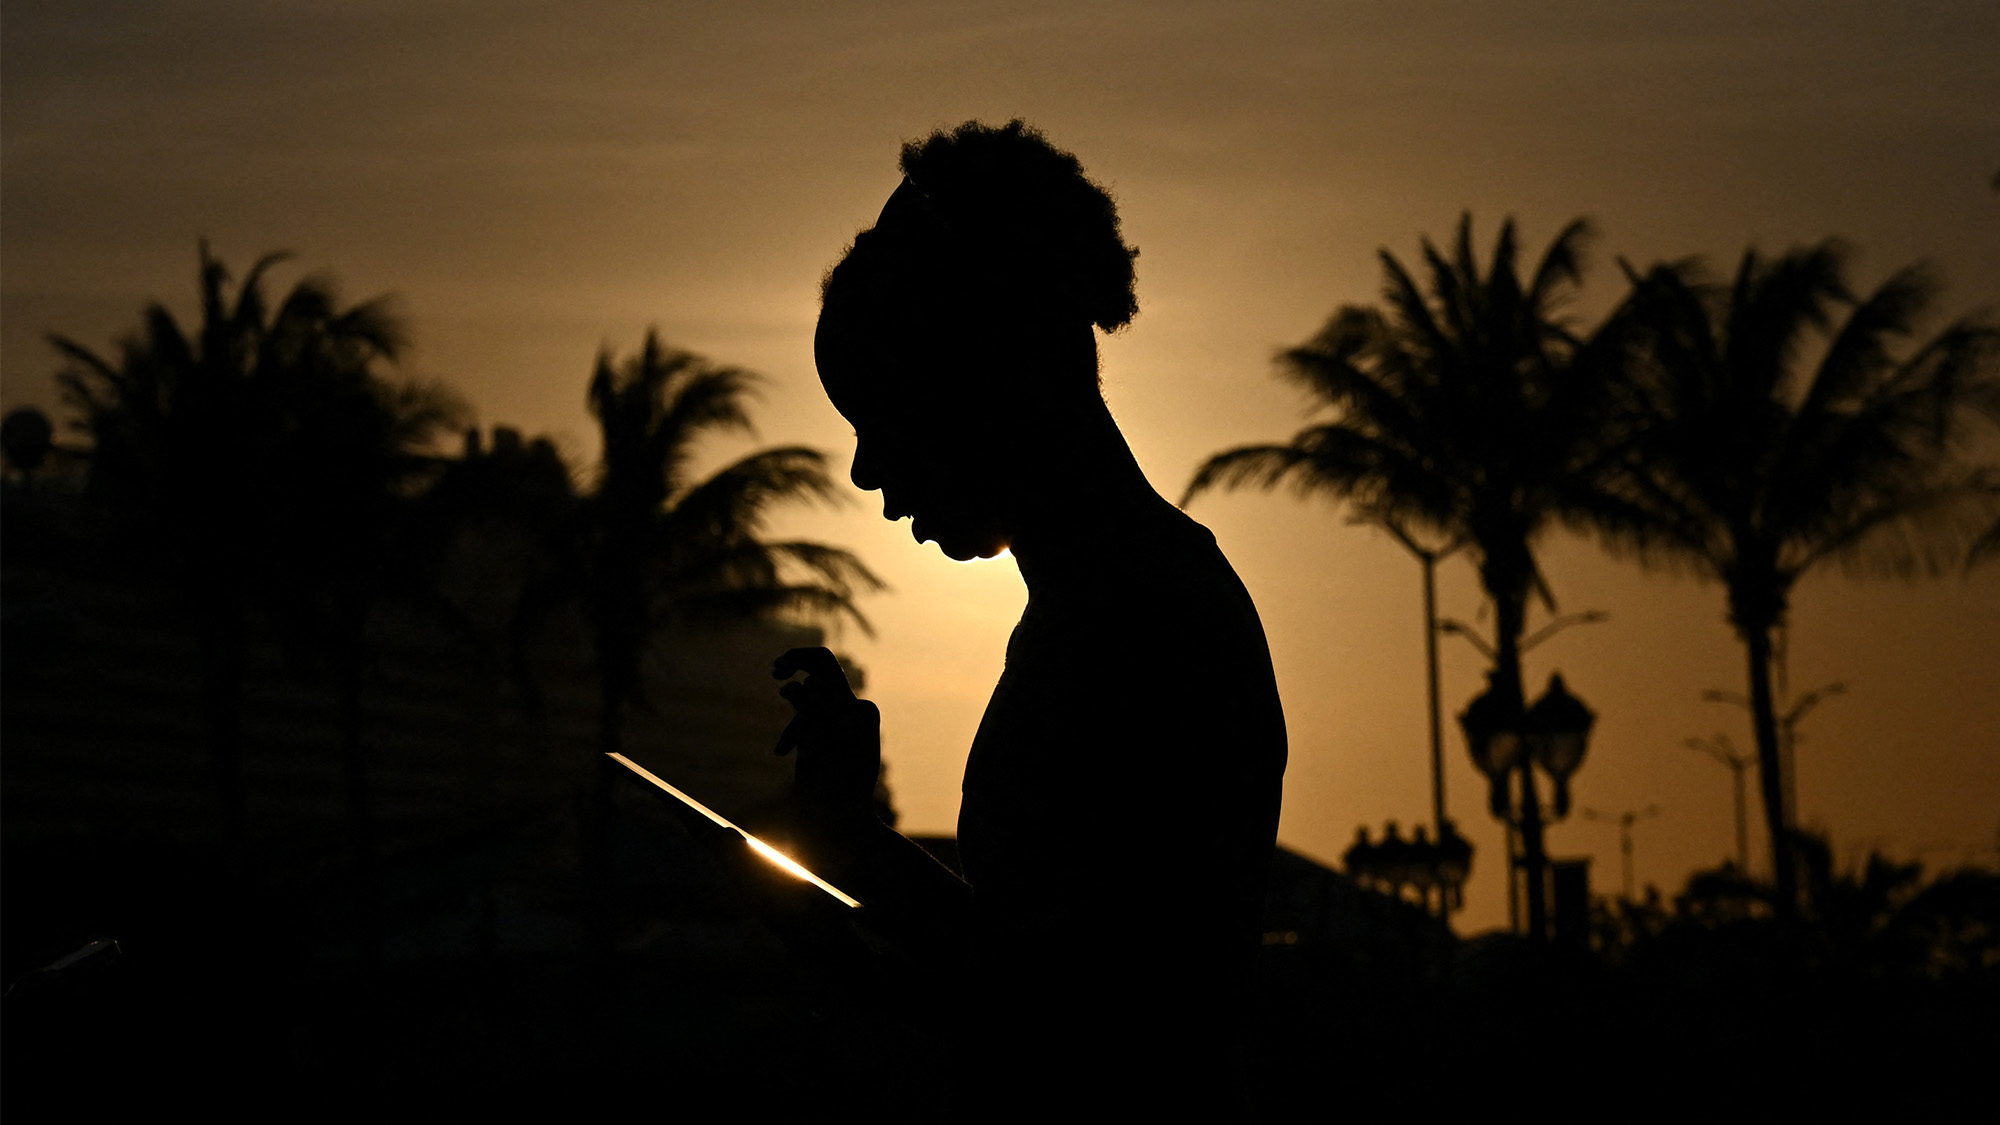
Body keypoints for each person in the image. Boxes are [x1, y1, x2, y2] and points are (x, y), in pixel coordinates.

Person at [776, 120, 1287, 1120]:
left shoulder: (1138, 628)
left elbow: (1084, 1021)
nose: (866, 472)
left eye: (886, 416)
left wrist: (846, 867)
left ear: (992, 378)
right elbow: (1041, 982)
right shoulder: (1116, 609)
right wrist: (843, 863)